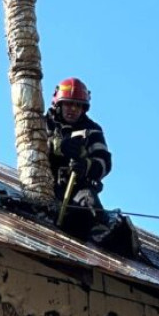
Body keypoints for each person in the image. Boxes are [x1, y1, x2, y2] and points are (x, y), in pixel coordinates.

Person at [45, 77, 112, 240]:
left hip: (77, 189)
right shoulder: (44, 124)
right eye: (69, 104)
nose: (73, 109)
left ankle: (101, 237)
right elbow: (30, 148)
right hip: (44, 187)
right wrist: (56, 146)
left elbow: (104, 162)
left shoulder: (92, 130)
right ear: (59, 105)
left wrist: (86, 166)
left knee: (89, 205)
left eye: (78, 105)